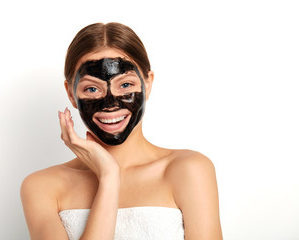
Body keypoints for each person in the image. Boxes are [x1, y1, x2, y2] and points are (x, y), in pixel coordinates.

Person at [20, 22, 223, 240]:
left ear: (148, 83)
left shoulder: (188, 170)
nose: (110, 103)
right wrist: (109, 177)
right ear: (71, 94)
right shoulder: (42, 187)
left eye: (125, 85)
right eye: (92, 88)